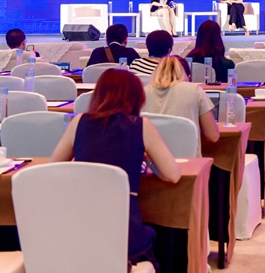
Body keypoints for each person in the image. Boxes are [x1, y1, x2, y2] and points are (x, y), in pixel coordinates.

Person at [50, 68, 180, 266]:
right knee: (155, 235)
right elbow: (172, 175)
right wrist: (146, 158)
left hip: (80, 228)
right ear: (137, 97)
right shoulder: (141, 126)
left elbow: (53, 168)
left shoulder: (78, 122)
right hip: (124, 232)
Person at [143, 55, 220, 156]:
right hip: (189, 161)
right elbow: (213, 136)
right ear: (184, 73)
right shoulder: (195, 90)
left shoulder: (142, 93)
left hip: (152, 161)